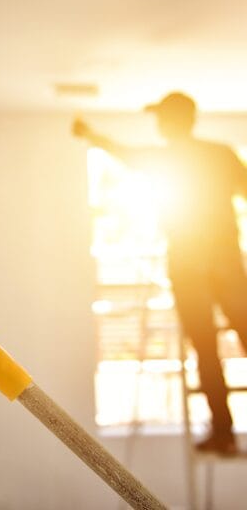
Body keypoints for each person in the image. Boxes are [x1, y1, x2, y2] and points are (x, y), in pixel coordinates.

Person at [73, 92, 247, 455]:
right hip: (223, 264)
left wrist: (91, 134)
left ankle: (223, 433)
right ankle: (222, 433)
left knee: (205, 348)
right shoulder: (218, 154)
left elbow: (126, 153)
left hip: (192, 266)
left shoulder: (166, 159)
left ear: (168, 122)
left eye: (160, 119)